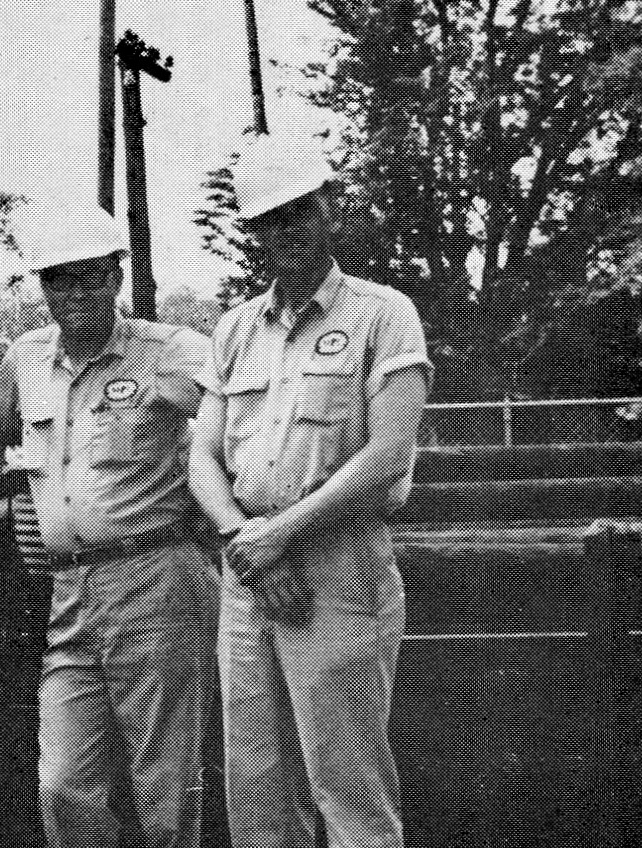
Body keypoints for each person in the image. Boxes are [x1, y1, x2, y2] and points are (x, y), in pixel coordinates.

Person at [187, 135, 430, 848]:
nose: (284, 228)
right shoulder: (234, 328)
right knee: (257, 788)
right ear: (253, 231)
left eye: (298, 209)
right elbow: (200, 454)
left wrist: (279, 534)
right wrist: (244, 538)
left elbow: (387, 454)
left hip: (336, 565)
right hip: (247, 570)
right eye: (268, 218)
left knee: (346, 782)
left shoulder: (381, 313)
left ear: (329, 208)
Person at [0, 198, 217, 848]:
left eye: (89, 275)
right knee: (62, 784)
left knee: (165, 780)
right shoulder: (25, 358)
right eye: (58, 277)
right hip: (68, 593)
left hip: (154, 576)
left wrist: (214, 500)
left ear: (116, 276)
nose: (74, 291)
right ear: (41, 286)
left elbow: (244, 408)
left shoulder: (167, 352)